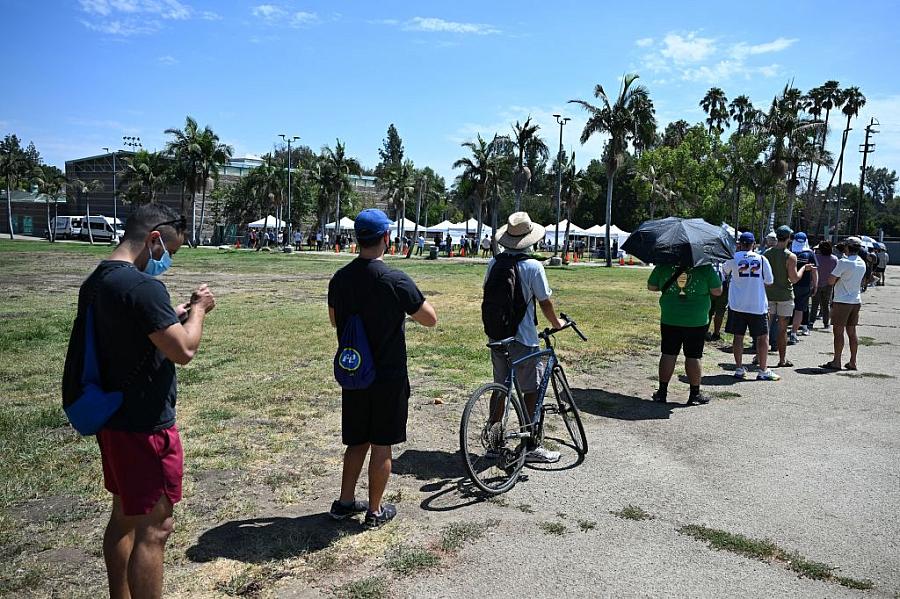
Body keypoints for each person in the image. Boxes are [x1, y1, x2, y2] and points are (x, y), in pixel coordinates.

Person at [71, 204, 215, 599]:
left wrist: (174, 313)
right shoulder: (142, 286)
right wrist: (199, 311)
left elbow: (130, 331)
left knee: (124, 518)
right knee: (155, 528)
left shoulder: (99, 280)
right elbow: (183, 350)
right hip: (145, 427)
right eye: (170, 251)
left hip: (113, 419)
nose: (167, 262)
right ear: (154, 239)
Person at [327, 209, 437, 527]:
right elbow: (430, 318)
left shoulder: (341, 278)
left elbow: (335, 320)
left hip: (355, 371)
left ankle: (345, 501)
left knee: (357, 439)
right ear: (386, 238)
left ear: (357, 238)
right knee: (382, 442)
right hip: (387, 375)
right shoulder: (395, 280)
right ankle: (374, 511)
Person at [484, 212, 565, 462]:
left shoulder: (494, 263)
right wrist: (557, 323)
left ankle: (493, 441)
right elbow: (545, 302)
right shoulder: (533, 266)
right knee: (531, 388)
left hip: (498, 336)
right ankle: (530, 445)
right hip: (524, 338)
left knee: (501, 387)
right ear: (531, 240)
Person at [647, 260, 723, 405]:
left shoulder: (664, 264)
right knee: (694, 356)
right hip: (696, 320)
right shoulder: (704, 267)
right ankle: (694, 394)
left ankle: (662, 392)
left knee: (668, 353)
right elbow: (717, 291)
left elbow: (651, 286)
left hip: (670, 317)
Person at [721, 232, 779, 380]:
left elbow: (723, 272)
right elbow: (770, 281)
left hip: (737, 305)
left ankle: (739, 368)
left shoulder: (733, 258)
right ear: (754, 244)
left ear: (740, 243)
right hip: (757, 305)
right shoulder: (761, 258)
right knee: (762, 337)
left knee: (738, 337)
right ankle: (763, 369)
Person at [763, 226, 813, 368]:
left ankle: (759, 356)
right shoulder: (790, 256)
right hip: (785, 296)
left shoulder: (767, 253)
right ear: (789, 238)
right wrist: (804, 268)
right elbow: (795, 278)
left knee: (765, 328)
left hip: (769, 295)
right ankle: (782, 359)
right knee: (782, 329)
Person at [821, 237, 867, 371]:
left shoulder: (844, 262)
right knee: (852, 332)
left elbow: (830, 280)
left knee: (838, 331)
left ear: (847, 247)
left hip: (842, 300)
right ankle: (853, 361)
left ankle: (837, 361)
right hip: (855, 300)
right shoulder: (861, 262)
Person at [789, 232, 818, 343]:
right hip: (804, 285)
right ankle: (793, 333)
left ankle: (779, 331)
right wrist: (815, 285)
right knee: (799, 309)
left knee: (786, 309)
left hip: (789, 284)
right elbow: (814, 271)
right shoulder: (809, 254)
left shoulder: (789, 252)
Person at [810, 241, 837, 329]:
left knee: (814, 304)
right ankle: (826, 323)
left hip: (816, 283)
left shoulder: (815, 257)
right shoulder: (834, 259)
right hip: (829, 284)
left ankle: (811, 321)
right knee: (826, 305)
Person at [706, 261, 728, 342]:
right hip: (717, 285)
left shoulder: (724, 262)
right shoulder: (724, 258)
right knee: (714, 311)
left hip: (718, 285)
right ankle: (711, 332)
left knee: (715, 311)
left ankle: (713, 332)